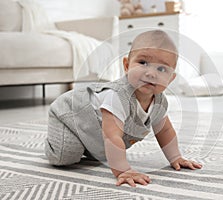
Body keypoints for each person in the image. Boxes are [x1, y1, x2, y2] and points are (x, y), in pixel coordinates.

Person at [45, 30, 202, 187]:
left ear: (171, 78)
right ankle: (54, 141)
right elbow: (112, 136)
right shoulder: (117, 96)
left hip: (92, 129)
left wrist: (176, 157)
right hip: (68, 115)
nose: (151, 73)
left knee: (101, 153)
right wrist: (123, 170)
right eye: (143, 63)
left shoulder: (159, 102)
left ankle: (86, 145)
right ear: (127, 66)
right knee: (65, 157)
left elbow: (165, 131)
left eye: (161, 69)